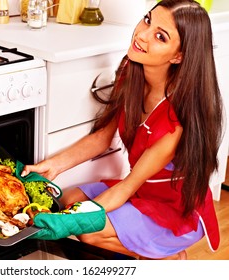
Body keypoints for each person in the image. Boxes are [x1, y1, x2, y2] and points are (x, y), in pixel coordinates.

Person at [21, 0, 223, 260]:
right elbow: (103, 137)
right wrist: (54, 166)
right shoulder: (132, 71)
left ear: (178, 56)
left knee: (89, 230)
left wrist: (68, 222)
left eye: (160, 37)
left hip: (172, 210)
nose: (141, 34)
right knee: (71, 198)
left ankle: (167, 258)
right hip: (144, 191)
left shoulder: (174, 123)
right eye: (148, 20)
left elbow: (127, 186)